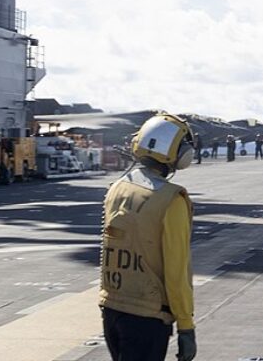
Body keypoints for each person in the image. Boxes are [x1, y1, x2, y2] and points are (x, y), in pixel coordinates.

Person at [99, 113, 199, 361]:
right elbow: (177, 270)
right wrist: (186, 326)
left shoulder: (116, 188)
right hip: (147, 316)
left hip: (112, 307)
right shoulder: (170, 200)